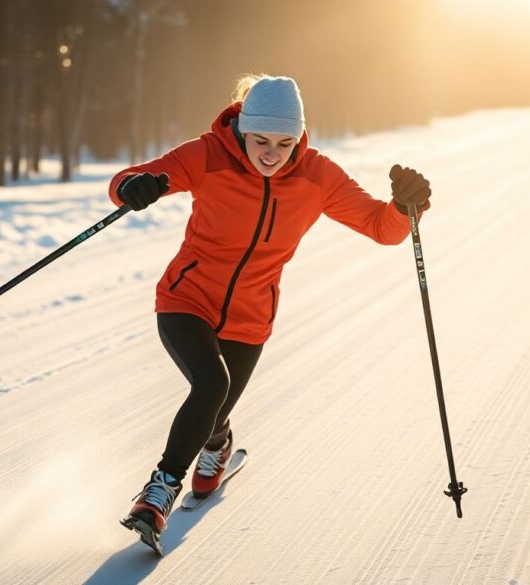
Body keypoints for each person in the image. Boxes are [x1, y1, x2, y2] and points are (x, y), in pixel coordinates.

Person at [111, 74, 432, 551]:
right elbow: (123, 182)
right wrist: (133, 187)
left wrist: (408, 206)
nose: (271, 152)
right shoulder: (207, 155)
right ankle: (158, 495)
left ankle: (216, 448)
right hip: (186, 300)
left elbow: (381, 228)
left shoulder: (317, 176)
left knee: (214, 405)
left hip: (249, 320)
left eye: (285, 142)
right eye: (260, 140)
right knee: (212, 384)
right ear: (242, 128)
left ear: (299, 136)